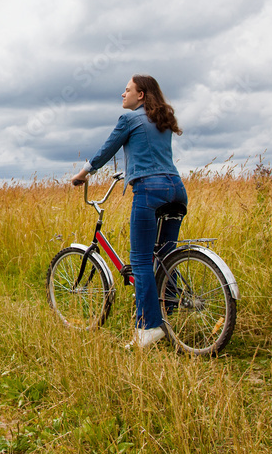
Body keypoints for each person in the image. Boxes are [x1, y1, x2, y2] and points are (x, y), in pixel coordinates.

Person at [71, 74, 187, 349]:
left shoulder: (129, 120)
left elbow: (106, 149)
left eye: (127, 90)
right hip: (176, 189)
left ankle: (148, 326)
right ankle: (168, 313)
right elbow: (152, 154)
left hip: (149, 190)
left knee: (142, 260)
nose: (122, 95)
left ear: (141, 95)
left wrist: (84, 173)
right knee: (164, 255)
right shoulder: (163, 120)